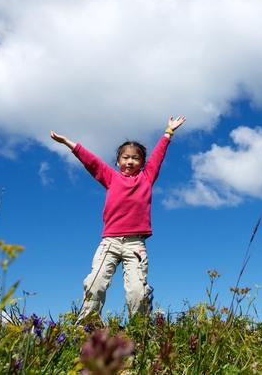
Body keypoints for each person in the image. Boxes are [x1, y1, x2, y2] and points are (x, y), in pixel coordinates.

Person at [50, 116, 186, 322]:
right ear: (118, 161)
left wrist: (168, 132)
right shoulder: (111, 177)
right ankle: (87, 327)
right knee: (95, 283)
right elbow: (91, 161)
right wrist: (68, 143)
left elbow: (158, 156)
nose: (130, 161)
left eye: (135, 158)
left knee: (137, 291)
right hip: (110, 241)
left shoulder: (147, 177)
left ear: (142, 163)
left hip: (135, 244)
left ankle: (140, 329)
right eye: (125, 157)